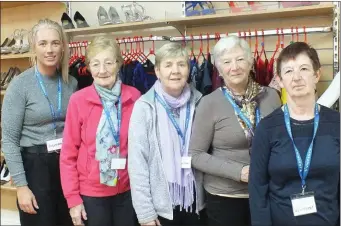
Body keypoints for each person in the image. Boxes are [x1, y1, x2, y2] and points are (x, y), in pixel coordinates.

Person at [189, 35, 282, 226]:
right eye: (227, 61)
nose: (235, 66)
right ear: (219, 69)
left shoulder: (272, 96)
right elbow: (195, 155)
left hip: (267, 192)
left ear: (250, 63)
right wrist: (239, 172)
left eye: (240, 59)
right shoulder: (209, 103)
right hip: (225, 197)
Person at [249, 42, 340, 226]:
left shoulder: (336, 123)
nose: (296, 77)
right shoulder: (267, 128)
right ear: (280, 81)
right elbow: (258, 188)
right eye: (289, 71)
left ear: (317, 75)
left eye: (304, 69)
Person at [1, 19, 77, 226]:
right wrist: (22, 187)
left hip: (67, 165)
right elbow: (8, 140)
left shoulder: (71, 83)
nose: (50, 49)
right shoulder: (20, 85)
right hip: (35, 168)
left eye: (55, 43)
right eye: (43, 43)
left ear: (63, 46)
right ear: (34, 47)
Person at [60, 36, 141, 226]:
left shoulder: (135, 97)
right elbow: (68, 155)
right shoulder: (78, 101)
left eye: (108, 63)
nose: (102, 70)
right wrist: (73, 200)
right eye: (95, 64)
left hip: (128, 192)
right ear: (88, 67)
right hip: (91, 195)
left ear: (119, 64)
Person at [128, 42, 206, 226]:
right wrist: (145, 212)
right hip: (161, 204)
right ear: (157, 71)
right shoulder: (144, 106)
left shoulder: (201, 101)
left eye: (181, 64)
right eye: (168, 65)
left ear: (189, 69)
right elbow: (137, 163)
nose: (175, 71)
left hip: (195, 201)